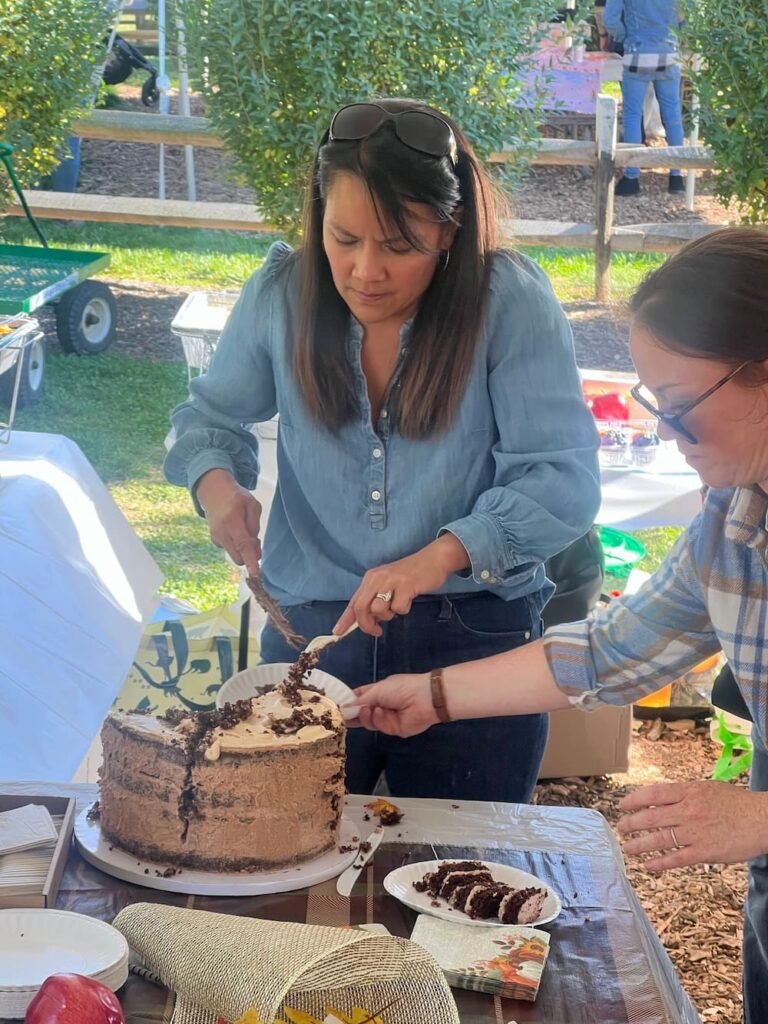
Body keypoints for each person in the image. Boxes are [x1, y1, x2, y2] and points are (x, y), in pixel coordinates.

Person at [348, 227, 768, 1022]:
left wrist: (757, 816)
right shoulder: (733, 516)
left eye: (681, 411)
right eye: (655, 407)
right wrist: (433, 696)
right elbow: (608, 654)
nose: (666, 439)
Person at [164, 98, 601, 803]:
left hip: (475, 633)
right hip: (311, 629)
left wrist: (436, 557)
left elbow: (562, 479)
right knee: (284, 857)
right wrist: (217, 486)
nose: (366, 270)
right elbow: (208, 417)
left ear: (449, 231)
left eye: (399, 246)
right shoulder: (281, 293)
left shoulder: (508, 303)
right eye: (344, 239)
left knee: (465, 874)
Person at [604, 0, 686, 196]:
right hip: (668, 52)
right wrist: (677, 33)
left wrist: (626, 37)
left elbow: (610, 19)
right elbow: (686, 15)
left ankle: (632, 178)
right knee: (672, 115)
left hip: (637, 52)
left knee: (633, 114)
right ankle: (676, 177)